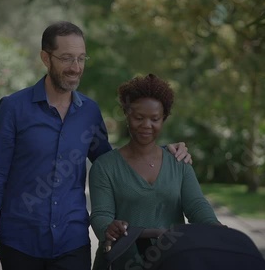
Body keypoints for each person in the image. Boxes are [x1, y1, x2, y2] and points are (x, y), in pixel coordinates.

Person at [0, 21, 192, 270]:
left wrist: (162, 153)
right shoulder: (13, 108)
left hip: (72, 245)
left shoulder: (89, 111)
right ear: (46, 58)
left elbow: (113, 163)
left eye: (81, 58)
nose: (76, 68)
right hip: (20, 246)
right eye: (67, 59)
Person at [89, 74, 221, 270]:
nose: (146, 125)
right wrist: (109, 227)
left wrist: (215, 228)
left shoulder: (178, 162)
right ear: (127, 114)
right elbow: (101, 215)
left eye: (155, 119)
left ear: (164, 119)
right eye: (139, 117)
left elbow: (196, 205)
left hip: (171, 262)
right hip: (121, 263)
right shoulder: (105, 166)